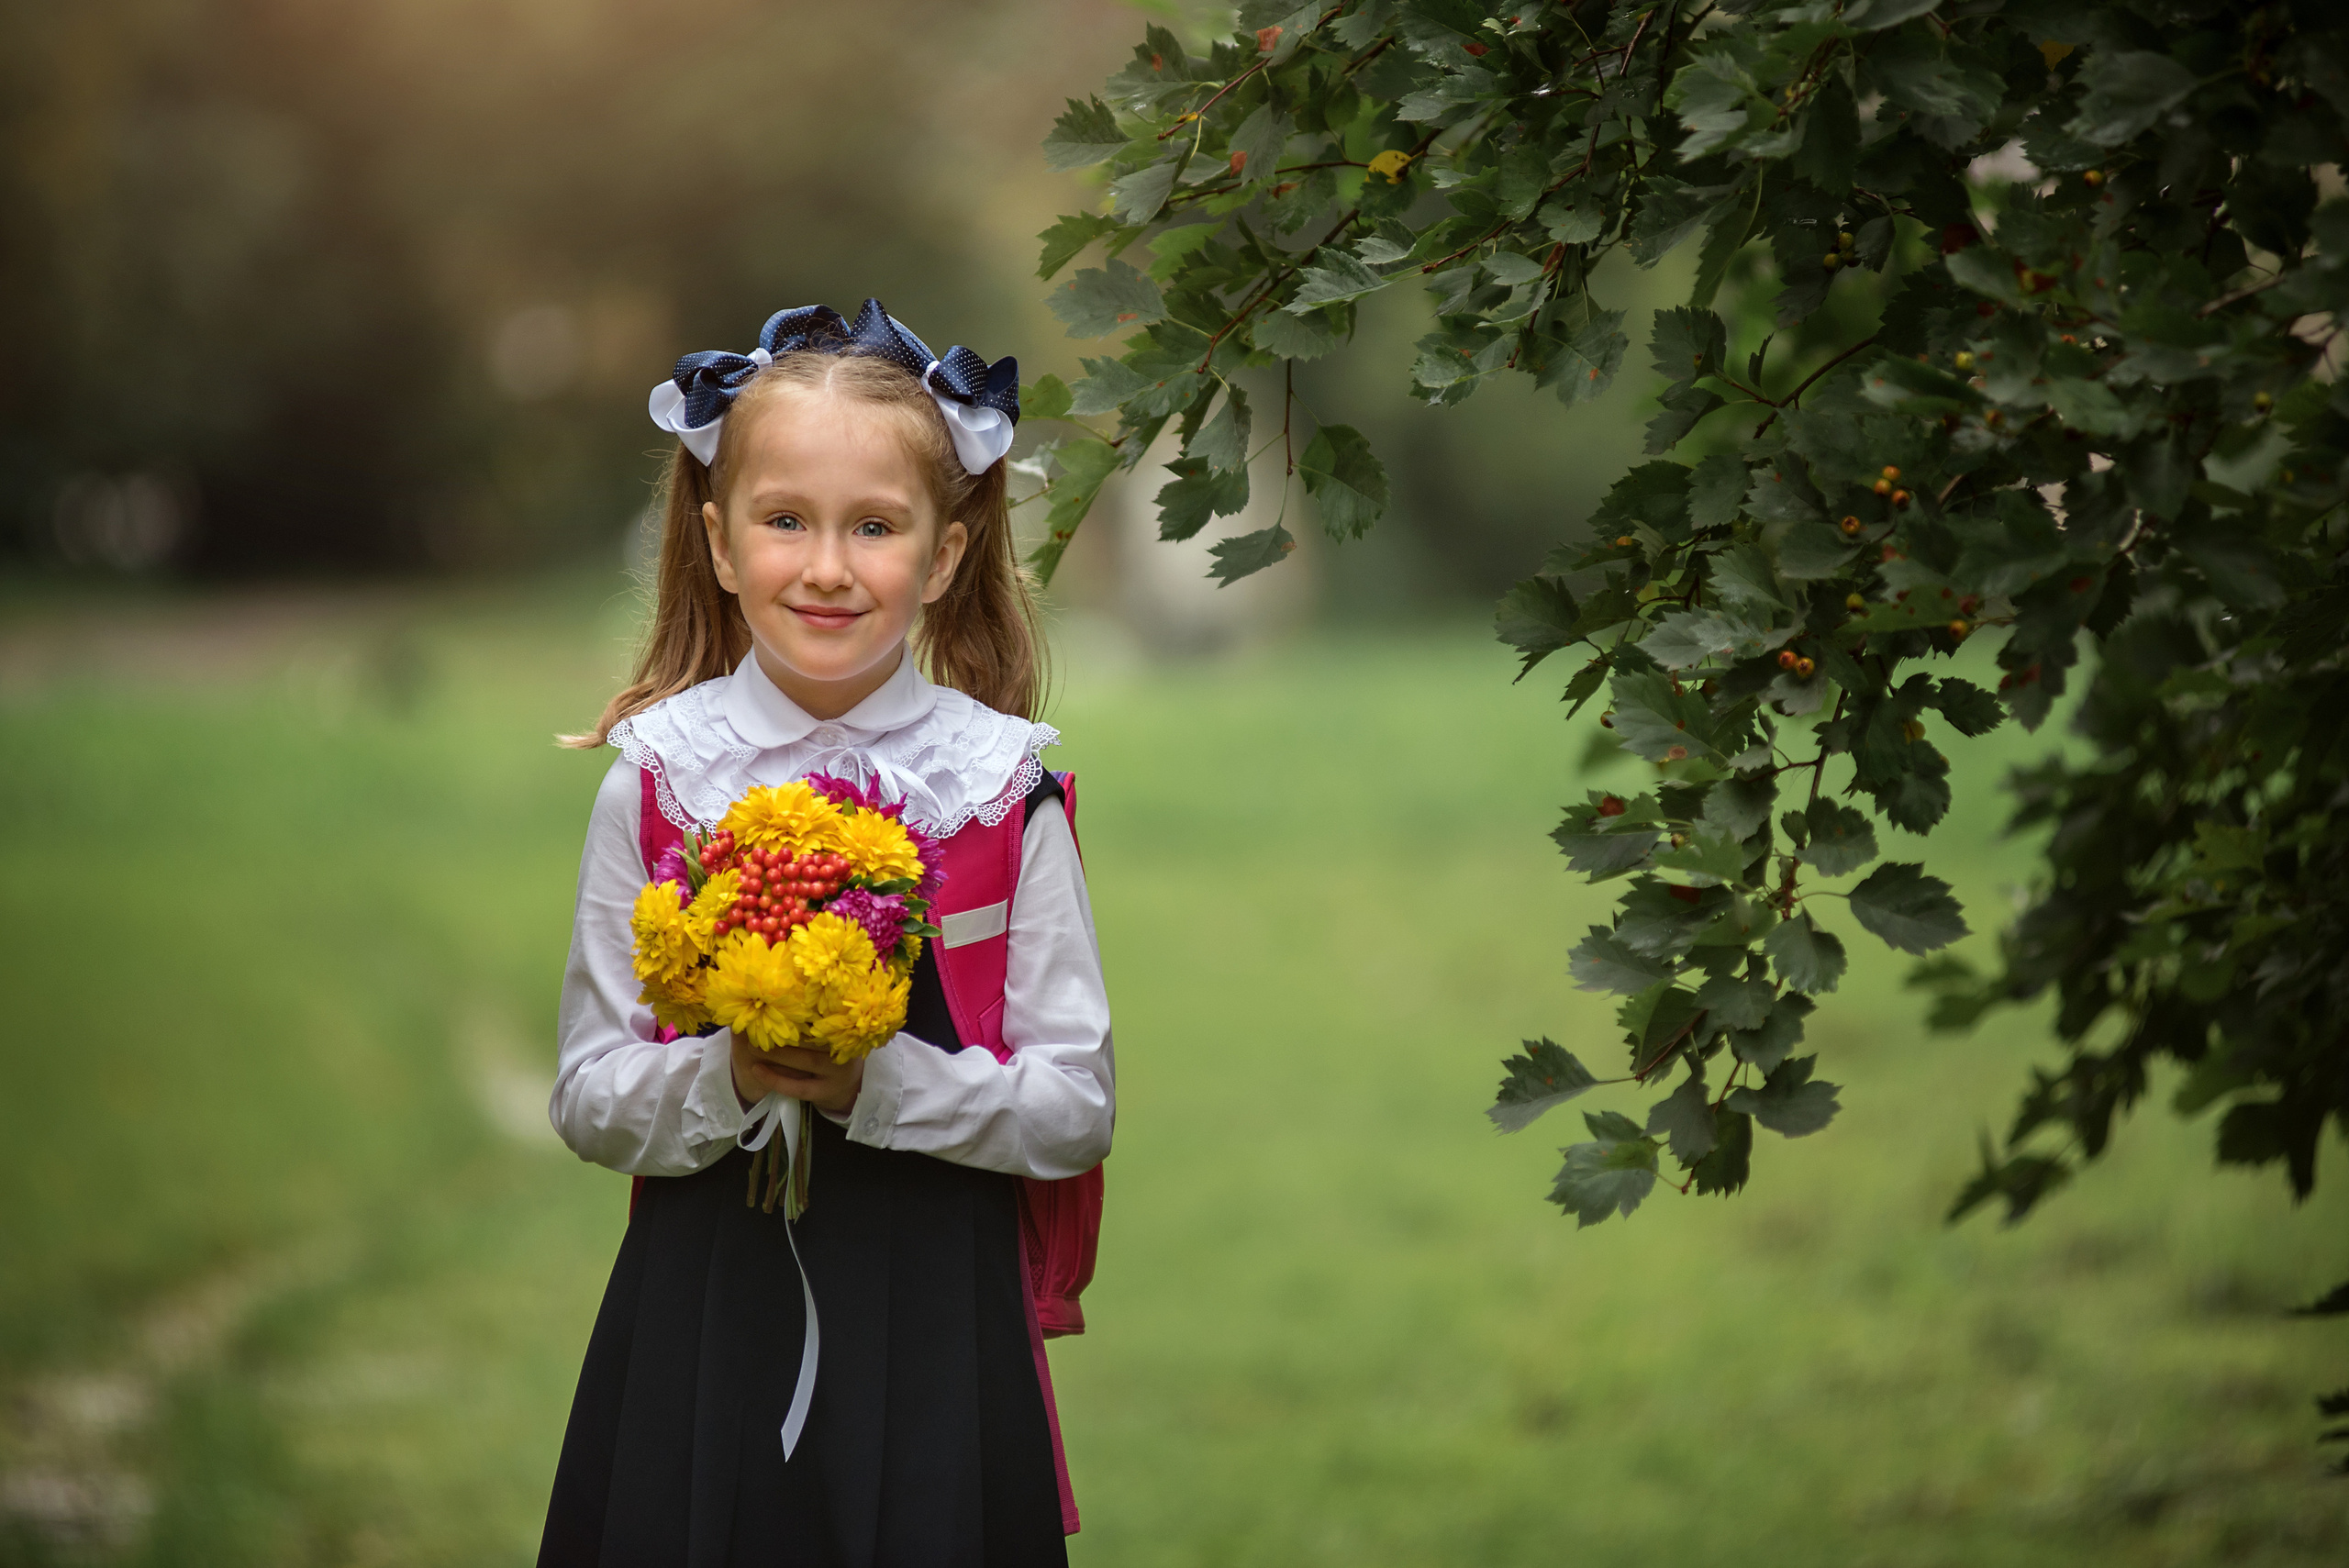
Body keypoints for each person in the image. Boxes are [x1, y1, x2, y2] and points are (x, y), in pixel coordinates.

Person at [538, 301, 1113, 1568]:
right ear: (720, 541)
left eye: (876, 525)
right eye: (786, 518)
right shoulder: (660, 779)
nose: (828, 566)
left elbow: (1076, 1107)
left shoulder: (1002, 791)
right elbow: (588, 1093)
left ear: (947, 552)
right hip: (704, 1317)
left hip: (937, 1326)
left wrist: (880, 1084)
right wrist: (731, 1072)